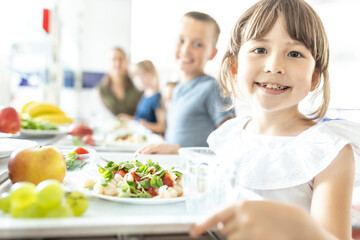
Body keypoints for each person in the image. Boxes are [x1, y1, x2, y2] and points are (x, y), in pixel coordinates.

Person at [190, 0, 360, 239]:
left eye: (294, 53)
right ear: (236, 67)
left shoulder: (330, 152)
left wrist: (293, 224)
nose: (274, 66)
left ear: (314, 78)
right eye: (260, 50)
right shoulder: (226, 136)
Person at [137, 11, 235, 154]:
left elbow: (232, 145)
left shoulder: (213, 88)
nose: (185, 50)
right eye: (181, 41)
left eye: (197, 44)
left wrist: (178, 150)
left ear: (212, 53)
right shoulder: (176, 88)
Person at [118, 60, 166, 134]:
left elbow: (162, 127)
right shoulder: (144, 95)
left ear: (152, 73)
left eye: (142, 74)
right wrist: (130, 119)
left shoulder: (156, 97)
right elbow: (142, 119)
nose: (139, 79)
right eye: (136, 76)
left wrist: (146, 125)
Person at [98, 47, 142, 116]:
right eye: (114, 59)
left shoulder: (137, 85)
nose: (118, 63)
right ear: (108, 62)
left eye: (121, 59)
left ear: (127, 62)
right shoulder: (101, 89)